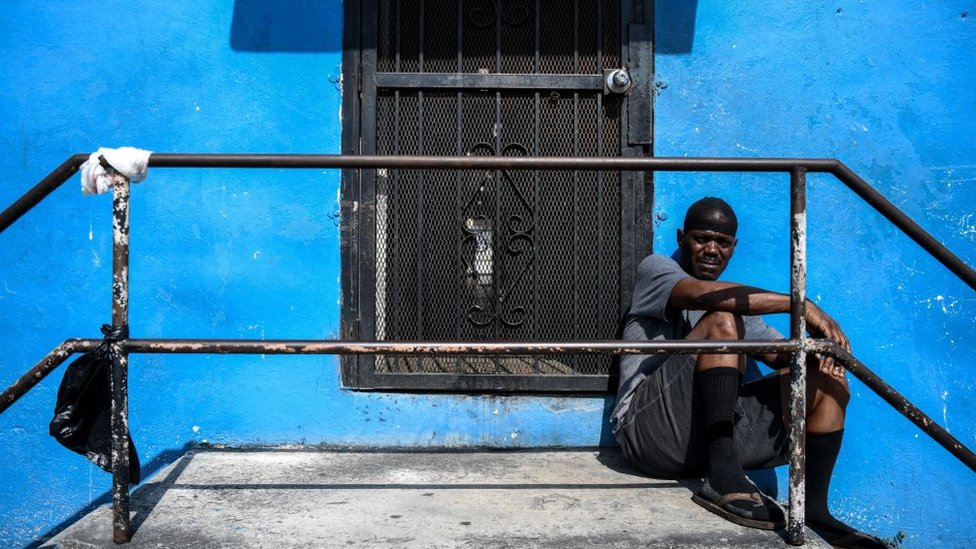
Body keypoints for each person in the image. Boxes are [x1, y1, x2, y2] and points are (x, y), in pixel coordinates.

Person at [611, 197, 886, 548]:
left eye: (722, 243)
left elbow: (777, 355)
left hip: (702, 442)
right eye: (701, 239)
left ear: (734, 247)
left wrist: (820, 357)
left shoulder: (740, 308)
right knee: (723, 319)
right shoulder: (657, 270)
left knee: (825, 378)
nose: (712, 250)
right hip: (648, 435)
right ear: (681, 237)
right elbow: (700, 296)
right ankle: (723, 477)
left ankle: (815, 510)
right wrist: (802, 305)